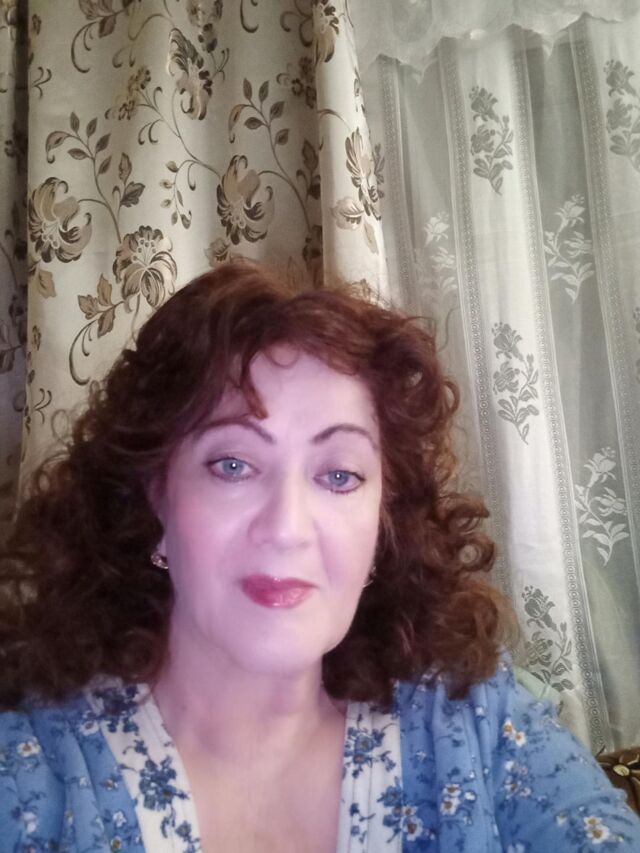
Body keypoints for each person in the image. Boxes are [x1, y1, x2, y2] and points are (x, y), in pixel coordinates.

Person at [0, 262, 639, 853]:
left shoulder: (473, 721)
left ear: (382, 526)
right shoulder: (34, 769)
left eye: (339, 476)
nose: (287, 529)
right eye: (233, 465)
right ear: (156, 500)